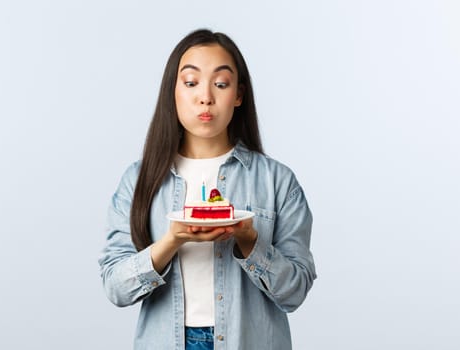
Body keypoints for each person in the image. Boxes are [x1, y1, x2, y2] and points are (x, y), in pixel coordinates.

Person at [98, 29, 316, 350]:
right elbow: (116, 288)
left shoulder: (277, 180)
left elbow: (295, 291)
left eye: (221, 84)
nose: (206, 97)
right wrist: (172, 240)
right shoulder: (138, 180)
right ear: (173, 92)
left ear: (238, 95)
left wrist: (248, 241)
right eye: (190, 82)